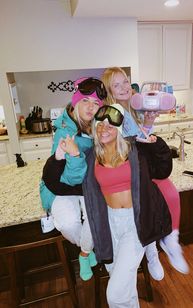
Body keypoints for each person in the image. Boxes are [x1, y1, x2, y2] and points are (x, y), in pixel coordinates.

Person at [101, 67, 189, 280]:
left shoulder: (129, 109)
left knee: (169, 191)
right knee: (167, 192)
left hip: (139, 164)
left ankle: (168, 241)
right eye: (117, 85)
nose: (124, 88)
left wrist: (148, 123)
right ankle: (166, 242)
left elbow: (139, 137)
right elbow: (123, 143)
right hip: (128, 173)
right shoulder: (114, 112)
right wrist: (142, 138)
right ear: (109, 90)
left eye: (125, 82)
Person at [84, 104, 172, 307]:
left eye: (110, 126)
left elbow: (162, 169)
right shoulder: (91, 157)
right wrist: (62, 157)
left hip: (135, 222)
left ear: (120, 130)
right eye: (100, 125)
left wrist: (153, 143)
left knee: (115, 294)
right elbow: (66, 182)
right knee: (125, 284)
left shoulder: (135, 151)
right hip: (109, 224)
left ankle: (151, 251)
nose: (103, 129)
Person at [40, 77, 107, 281]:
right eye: (86, 100)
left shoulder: (97, 126)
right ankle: (88, 249)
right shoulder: (65, 132)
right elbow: (67, 178)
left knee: (96, 216)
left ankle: (84, 254)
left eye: (96, 103)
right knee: (68, 223)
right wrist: (76, 156)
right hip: (62, 187)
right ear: (76, 100)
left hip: (86, 185)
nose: (90, 107)